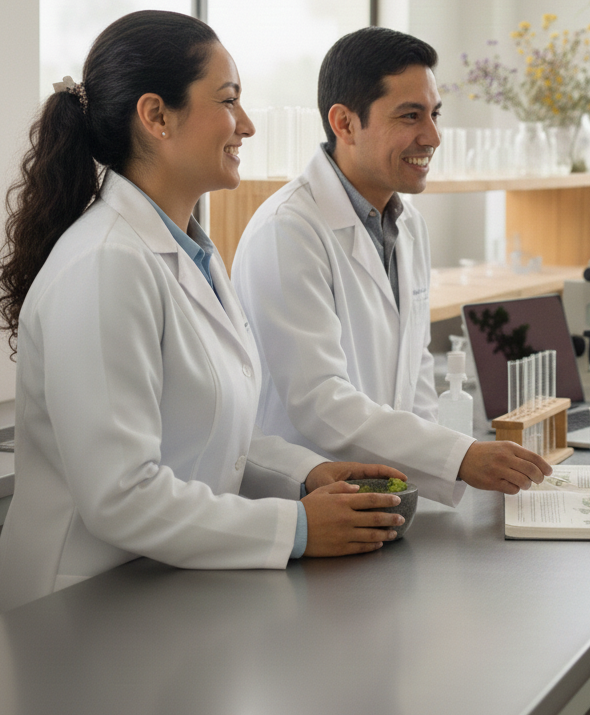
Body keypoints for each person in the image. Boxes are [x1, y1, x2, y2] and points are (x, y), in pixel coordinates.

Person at [0, 11, 406, 618]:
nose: (248, 125)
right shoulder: (106, 263)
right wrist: (295, 527)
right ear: (156, 116)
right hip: (76, 610)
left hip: (160, 593)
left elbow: (211, 440)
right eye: (229, 100)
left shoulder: (191, 253)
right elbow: (121, 495)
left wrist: (307, 475)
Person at [232, 26, 552, 505]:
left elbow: (416, 377)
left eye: (434, 114)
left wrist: (434, 480)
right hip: (306, 504)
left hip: (388, 500)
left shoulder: (408, 225)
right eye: (410, 116)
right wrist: (460, 457)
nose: (433, 136)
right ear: (344, 123)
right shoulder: (288, 230)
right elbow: (319, 403)